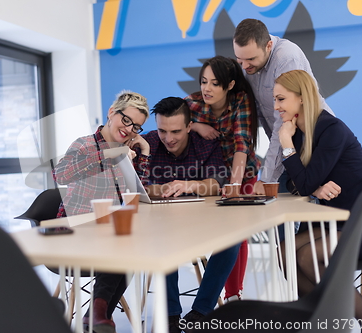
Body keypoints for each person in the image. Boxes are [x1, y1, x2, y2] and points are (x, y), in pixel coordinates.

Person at [276, 70, 362, 333]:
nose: (276, 107)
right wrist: (314, 184)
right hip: (344, 223)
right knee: (284, 253)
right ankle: (326, 323)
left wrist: (286, 145)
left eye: (281, 99)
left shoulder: (331, 130)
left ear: (301, 98)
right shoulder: (301, 134)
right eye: (275, 100)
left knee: (306, 257)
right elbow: (294, 183)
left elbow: (302, 182)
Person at [53, 90, 151, 333]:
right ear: (111, 113)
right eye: (126, 120)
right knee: (120, 248)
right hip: (74, 230)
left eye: (136, 126)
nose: (129, 129)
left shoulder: (126, 151)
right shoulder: (84, 144)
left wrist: (144, 154)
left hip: (106, 231)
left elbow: (140, 192)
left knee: (130, 247)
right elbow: (61, 174)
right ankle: (98, 314)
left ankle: (96, 313)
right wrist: (112, 154)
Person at [139, 96, 240, 333]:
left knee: (232, 240)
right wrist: (161, 189)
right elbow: (133, 187)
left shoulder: (204, 143)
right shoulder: (148, 143)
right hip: (161, 224)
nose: (168, 138)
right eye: (162, 130)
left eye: (176, 131)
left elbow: (217, 183)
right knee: (163, 240)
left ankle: (201, 313)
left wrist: (190, 184)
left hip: (202, 222)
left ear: (189, 126)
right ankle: (171, 316)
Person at [185, 55, 260, 303]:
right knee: (225, 233)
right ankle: (226, 294)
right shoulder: (192, 103)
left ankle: (233, 295)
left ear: (229, 85)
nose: (207, 88)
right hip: (213, 177)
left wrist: (235, 186)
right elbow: (171, 124)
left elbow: (242, 145)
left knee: (237, 230)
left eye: (215, 83)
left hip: (243, 172)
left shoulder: (241, 101)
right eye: (204, 81)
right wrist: (195, 126)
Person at [233, 18, 333, 195]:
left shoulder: (286, 57)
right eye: (240, 60)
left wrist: (266, 179)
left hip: (311, 143)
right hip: (286, 147)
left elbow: (283, 122)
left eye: (250, 59)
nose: (245, 66)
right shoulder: (247, 64)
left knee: (316, 213)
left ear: (269, 45)